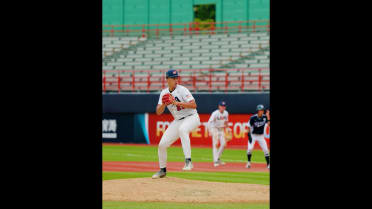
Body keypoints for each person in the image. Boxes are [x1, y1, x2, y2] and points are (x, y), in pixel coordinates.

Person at [152, 69, 201, 179]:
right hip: (178, 120)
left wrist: (176, 102)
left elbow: (194, 105)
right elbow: (158, 112)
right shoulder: (164, 93)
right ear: (167, 79)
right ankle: (162, 170)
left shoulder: (182, 90)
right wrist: (164, 104)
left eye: (176, 78)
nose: (176, 80)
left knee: (183, 130)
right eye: (173, 78)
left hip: (192, 117)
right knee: (162, 145)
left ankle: (188, 161)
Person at [246, 104, 270, 169]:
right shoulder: (253, 118)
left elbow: (268, 124)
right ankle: (248, 162)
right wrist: (249, 136)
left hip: (261, 136)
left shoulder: (264, 117)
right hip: (253, 135)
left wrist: (268, 117)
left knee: (266, 150)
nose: (261, 111)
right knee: (250, 149)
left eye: (262, 110)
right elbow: (248, 127)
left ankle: (268, 164)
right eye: (260, 110)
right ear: (258, 111)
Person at [207, 101, 229, 167]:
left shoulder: (226, 113)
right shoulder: (215, 113)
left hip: (221, 129)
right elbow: (209, 122)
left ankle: (218, 158)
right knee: (216, 144)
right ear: (219, 106)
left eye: (224, 106)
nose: (223, 107)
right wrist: (210, 130)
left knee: (223, 144)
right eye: (221, 106)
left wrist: (227, 129)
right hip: (215, 129)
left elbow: (226, 122)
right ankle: (215, 161)